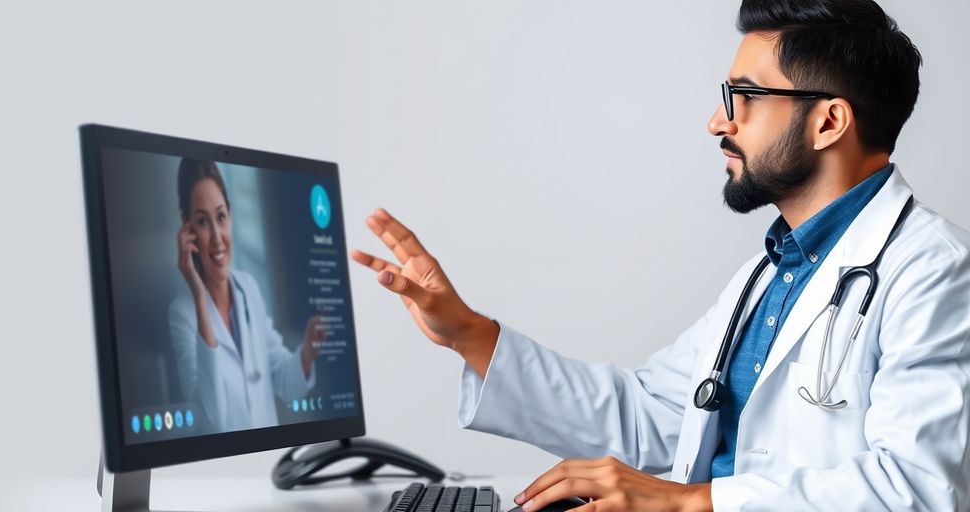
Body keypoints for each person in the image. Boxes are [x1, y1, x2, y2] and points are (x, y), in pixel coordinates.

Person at [351, 1, 970, 510]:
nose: (716, 122)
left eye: (743, 97)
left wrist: (685, 503)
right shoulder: (774, 271)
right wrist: (468, 335)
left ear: (828, 122)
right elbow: (652, 418)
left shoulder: (933, 271)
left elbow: (920, 487)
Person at [168, 158, 322, 433]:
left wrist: (307, 353)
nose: (217, 237)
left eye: (221, 217)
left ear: (230, 216)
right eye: (203, 222)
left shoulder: (248, 287)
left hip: (270, 456)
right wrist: (199, 297)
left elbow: (283, 379)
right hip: (225, 469)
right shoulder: (182, 312)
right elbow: (210, 419)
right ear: (187, 228)